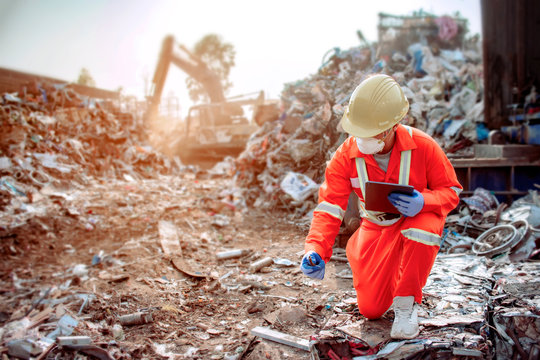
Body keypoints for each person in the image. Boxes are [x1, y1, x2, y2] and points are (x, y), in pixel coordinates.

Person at [300, 74, 462, 339]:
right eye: (357, 131)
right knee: (371, 309)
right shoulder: (346, 155)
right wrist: (315, 248)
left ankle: (407, 305)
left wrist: (424, 201)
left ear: (391, 127)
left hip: (414, 221)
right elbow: (330, 206)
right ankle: (395, 283)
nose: (360, 139)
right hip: (375, 230)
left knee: (422, 228)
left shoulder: (423, 146)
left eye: (369, 132)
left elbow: (451, 191)